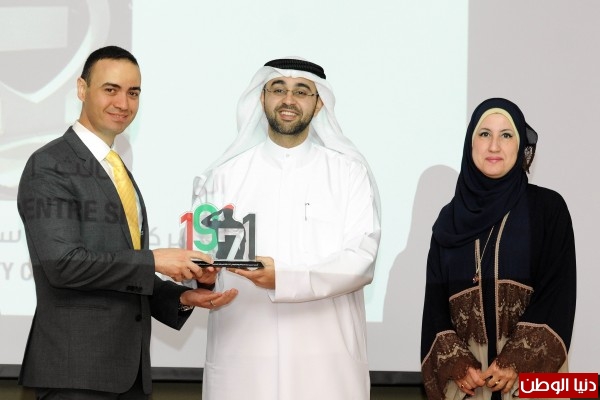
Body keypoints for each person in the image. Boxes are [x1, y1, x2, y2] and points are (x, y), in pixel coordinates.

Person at [17, 45, 237, 400]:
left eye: (133, 93)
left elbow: (121, 271)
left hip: (130, 375)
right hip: (76, 375)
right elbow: (63, 264)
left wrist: (183, 296)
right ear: (82, 89)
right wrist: (155, 259)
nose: (123, 103)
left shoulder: (117, 169)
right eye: (111, 89)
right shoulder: (50, 164)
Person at [189, 58, 381, 400]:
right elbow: (198, 256)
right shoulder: (224, 176)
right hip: (245, 358)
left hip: (326, 362)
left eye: (301, 91)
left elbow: (361, 261)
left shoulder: (349, 174)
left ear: (319, 103)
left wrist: (284, 277)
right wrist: (203, 275)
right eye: (278, 89)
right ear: (262, 98)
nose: (288, 100)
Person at [420, 98, 576, 400]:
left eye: (506, 135)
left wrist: (515, 360)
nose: (494, 146)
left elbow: (558, 293)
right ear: (470, 144)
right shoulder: (449, 220)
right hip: (469, 385)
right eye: (484, 134)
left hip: (534, 378)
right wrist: (458, 364)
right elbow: (435, 309)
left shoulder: (548, 209)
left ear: (520, 146)